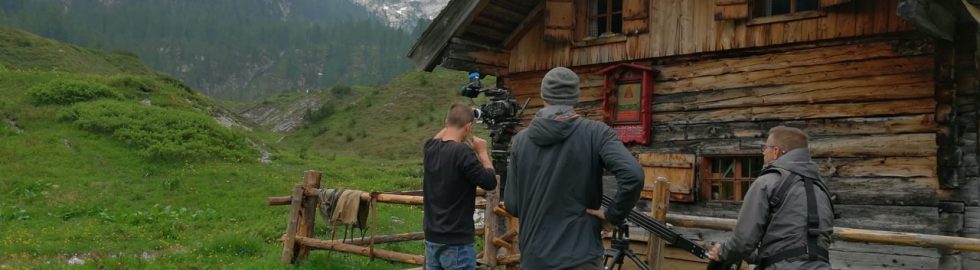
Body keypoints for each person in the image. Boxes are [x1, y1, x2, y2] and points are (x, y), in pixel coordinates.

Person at [504, 67, 644, 270]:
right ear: (575, 97)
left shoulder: (520, 141)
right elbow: (633, 175)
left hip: (534, 259)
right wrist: (612, 216)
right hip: (581, 257)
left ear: (543, 95)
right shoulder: (596, 133)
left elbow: (513, 205)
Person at [708, 126, 835, 270]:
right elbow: (794, 247)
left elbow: (743, 242)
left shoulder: (768, 181)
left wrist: (722, 252)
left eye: (765, 148)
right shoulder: (821, 189)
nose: (763, 153)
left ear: (775, 152)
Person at [422, 103, 498, 270]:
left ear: (446, 122)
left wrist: (459, 115)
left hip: (432, 237)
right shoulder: (463, 153)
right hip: (456, 241)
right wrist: (483, 153)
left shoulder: (430, 148)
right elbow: (490, 181)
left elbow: (443, 133)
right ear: (469, 127)